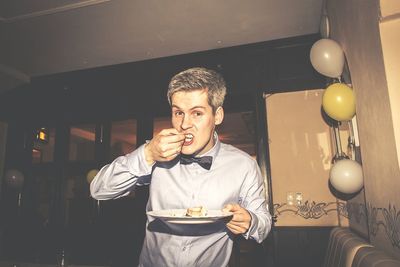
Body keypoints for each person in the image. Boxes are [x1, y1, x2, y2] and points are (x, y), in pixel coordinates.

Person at [90, 67, 272, 267]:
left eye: (197, 113)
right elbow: (99, 190)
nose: (184, 124)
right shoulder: (156, 153)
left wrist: (250, 221)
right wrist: (147, 154)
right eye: (178, 113)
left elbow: (263, 226)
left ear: (218, 116)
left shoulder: (243, 164)